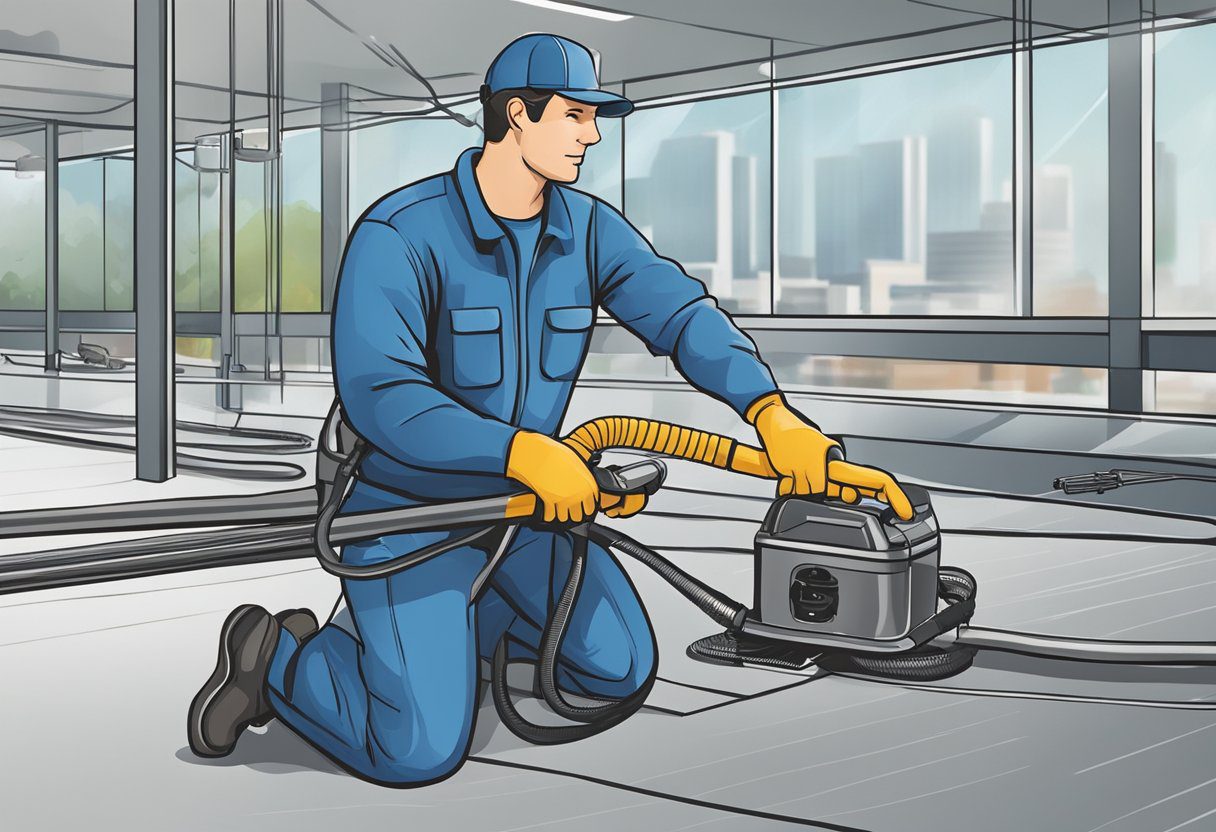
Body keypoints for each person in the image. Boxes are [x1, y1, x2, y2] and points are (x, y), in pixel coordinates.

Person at [187, 33, 913, 787]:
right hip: (409, 516)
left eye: (593, 118)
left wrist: (772, 414)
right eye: (574, 115)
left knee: (620, 669)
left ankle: (424, 646)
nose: (591, 134)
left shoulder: (586, 230)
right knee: (417, 754)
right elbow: (383, 394)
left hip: (527, 513)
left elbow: (683, 316)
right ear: (516, 115)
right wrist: (523, 452)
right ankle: (277, 659)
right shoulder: (401, 233)